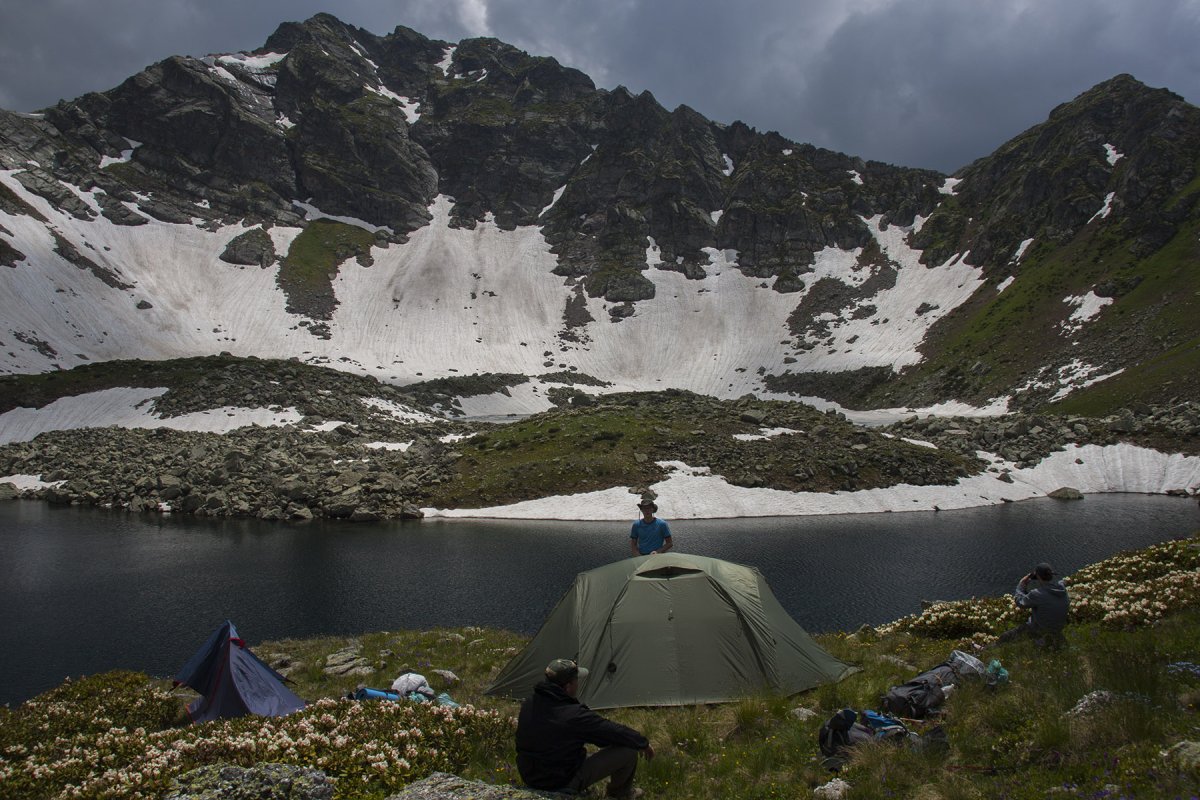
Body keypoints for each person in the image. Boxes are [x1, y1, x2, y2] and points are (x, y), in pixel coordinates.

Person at [515, 658, 653, 798]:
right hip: (560, 781)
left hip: (531, 776)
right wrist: (641, 742)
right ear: (568, 686)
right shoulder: (573, 715)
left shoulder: (529, 703)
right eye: (576, 680)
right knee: (628, 751)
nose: (578, 683)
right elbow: (609, 732)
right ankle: (619, 794)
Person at [997, 562, 1069, 646]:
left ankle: (985, 651)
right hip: (1057, 630)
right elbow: (1061, 583)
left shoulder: (1037, 594)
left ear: (1037, 577)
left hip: (1038, 631)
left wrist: (1021, 585)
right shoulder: (1062, 590)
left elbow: (1020, 602)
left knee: (1005, 637)